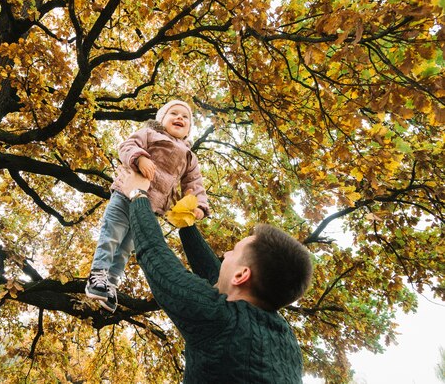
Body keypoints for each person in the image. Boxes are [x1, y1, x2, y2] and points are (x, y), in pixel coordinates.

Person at [120, 169, 313, 383]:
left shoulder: (221, 320)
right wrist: (185, 221)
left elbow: (157, 258)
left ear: (241, 275)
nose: (226, 254)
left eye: (234, 251)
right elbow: (216, 277)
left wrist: (137, 195)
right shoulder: (285, 339)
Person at [85, 100, 209, 312]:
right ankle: (98, 274)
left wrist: (199, 206)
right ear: (162, 119)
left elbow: (194, 184)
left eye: (185, 117)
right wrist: (140, 158)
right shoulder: (150, 134)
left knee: (126, 247)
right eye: (174, 113)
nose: (180, 118)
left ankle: (110, 284)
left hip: (148, 210)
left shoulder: (189, 156)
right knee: (112, 235)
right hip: (126, 193)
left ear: (189, 128)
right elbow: (127, 146)